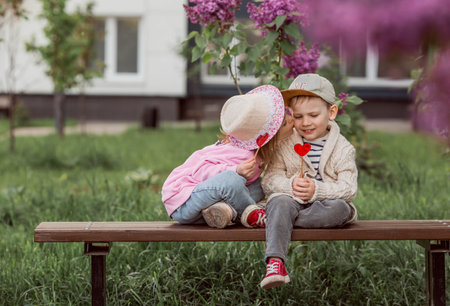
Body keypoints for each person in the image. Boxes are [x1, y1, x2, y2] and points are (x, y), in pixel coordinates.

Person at [258, 73, 358, 289]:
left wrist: (317, 191)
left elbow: (349, 189)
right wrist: (289, 185)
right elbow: (269, 180)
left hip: (326, 205)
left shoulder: (343, 148)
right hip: (292, 201)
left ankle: (281, 221)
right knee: (279, 201)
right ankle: (275, 263)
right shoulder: (285, 143)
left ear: (331, 112)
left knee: (341, 208)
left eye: (313, 115)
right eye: (298, 116)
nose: (305, 123)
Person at [161, 85, 290, 228]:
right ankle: (253, 213)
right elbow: (200, 171)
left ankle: (225, 211)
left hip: (205, 207)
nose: (292, 121)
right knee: (232, 180)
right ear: (271, 136)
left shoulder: (256, 152)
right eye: (284, 123)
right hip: (184, 201)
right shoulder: (241, 153)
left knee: (260, 185)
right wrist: (235, 170)